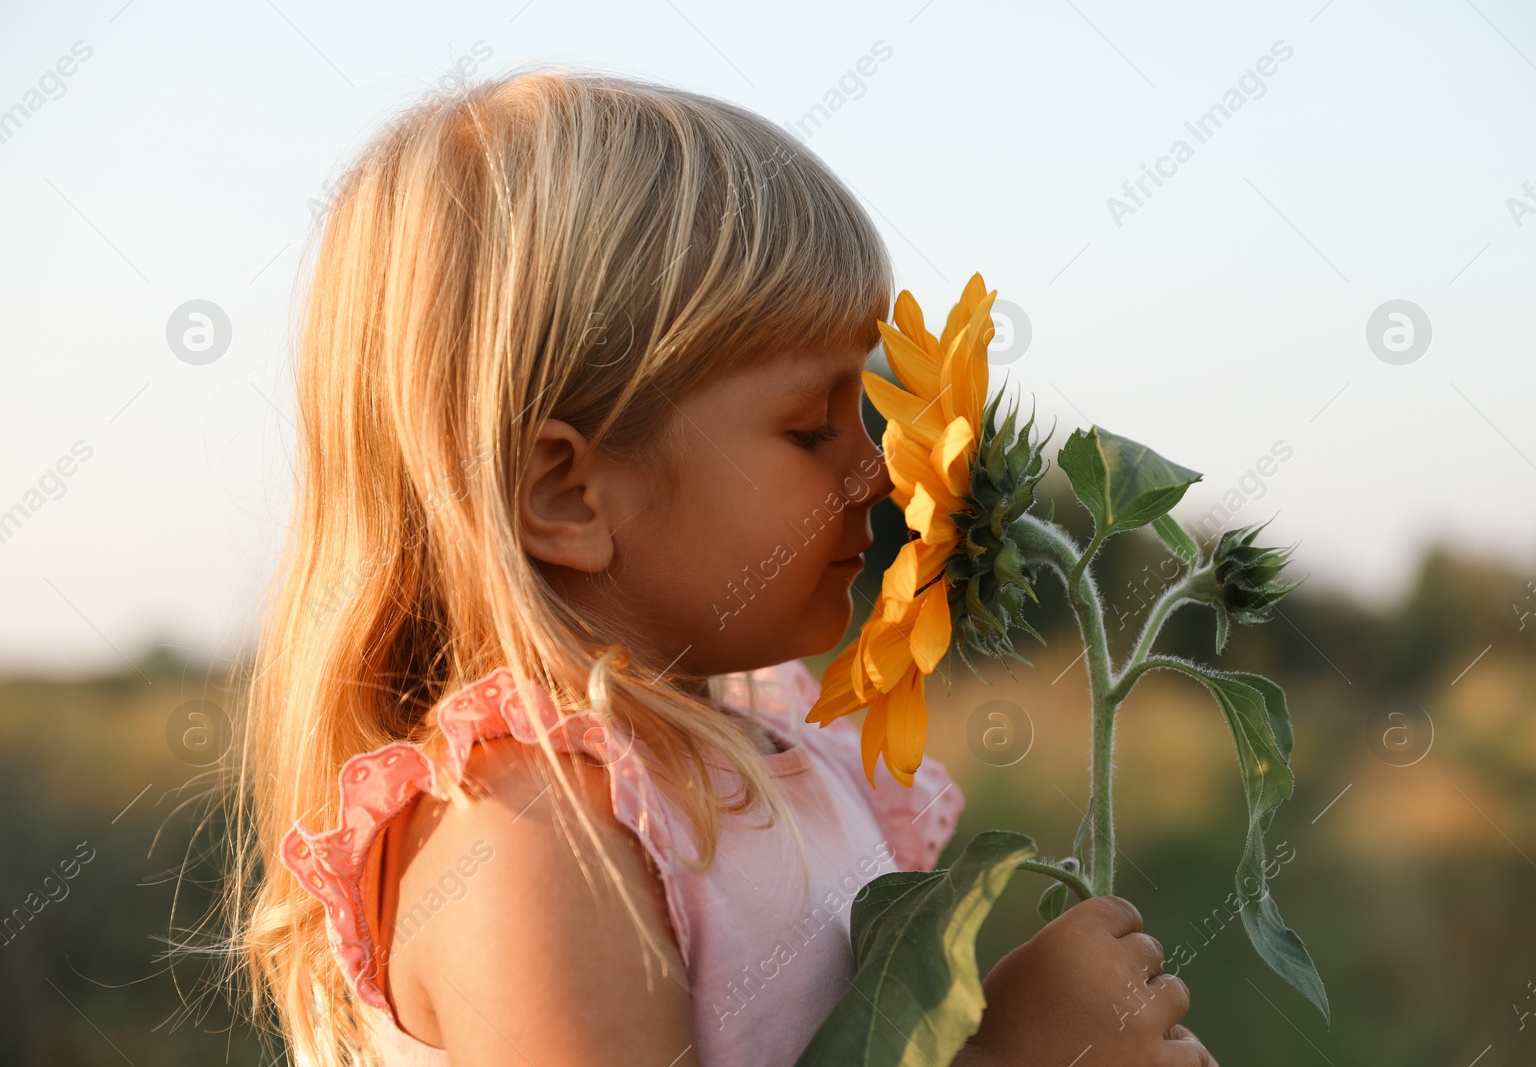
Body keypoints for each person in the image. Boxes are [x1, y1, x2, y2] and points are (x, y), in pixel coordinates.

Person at [234, 67, 1218, 1067]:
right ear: (566, 495)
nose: (879, 472)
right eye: (810, 426)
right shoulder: (533, 836)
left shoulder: (783, 750)